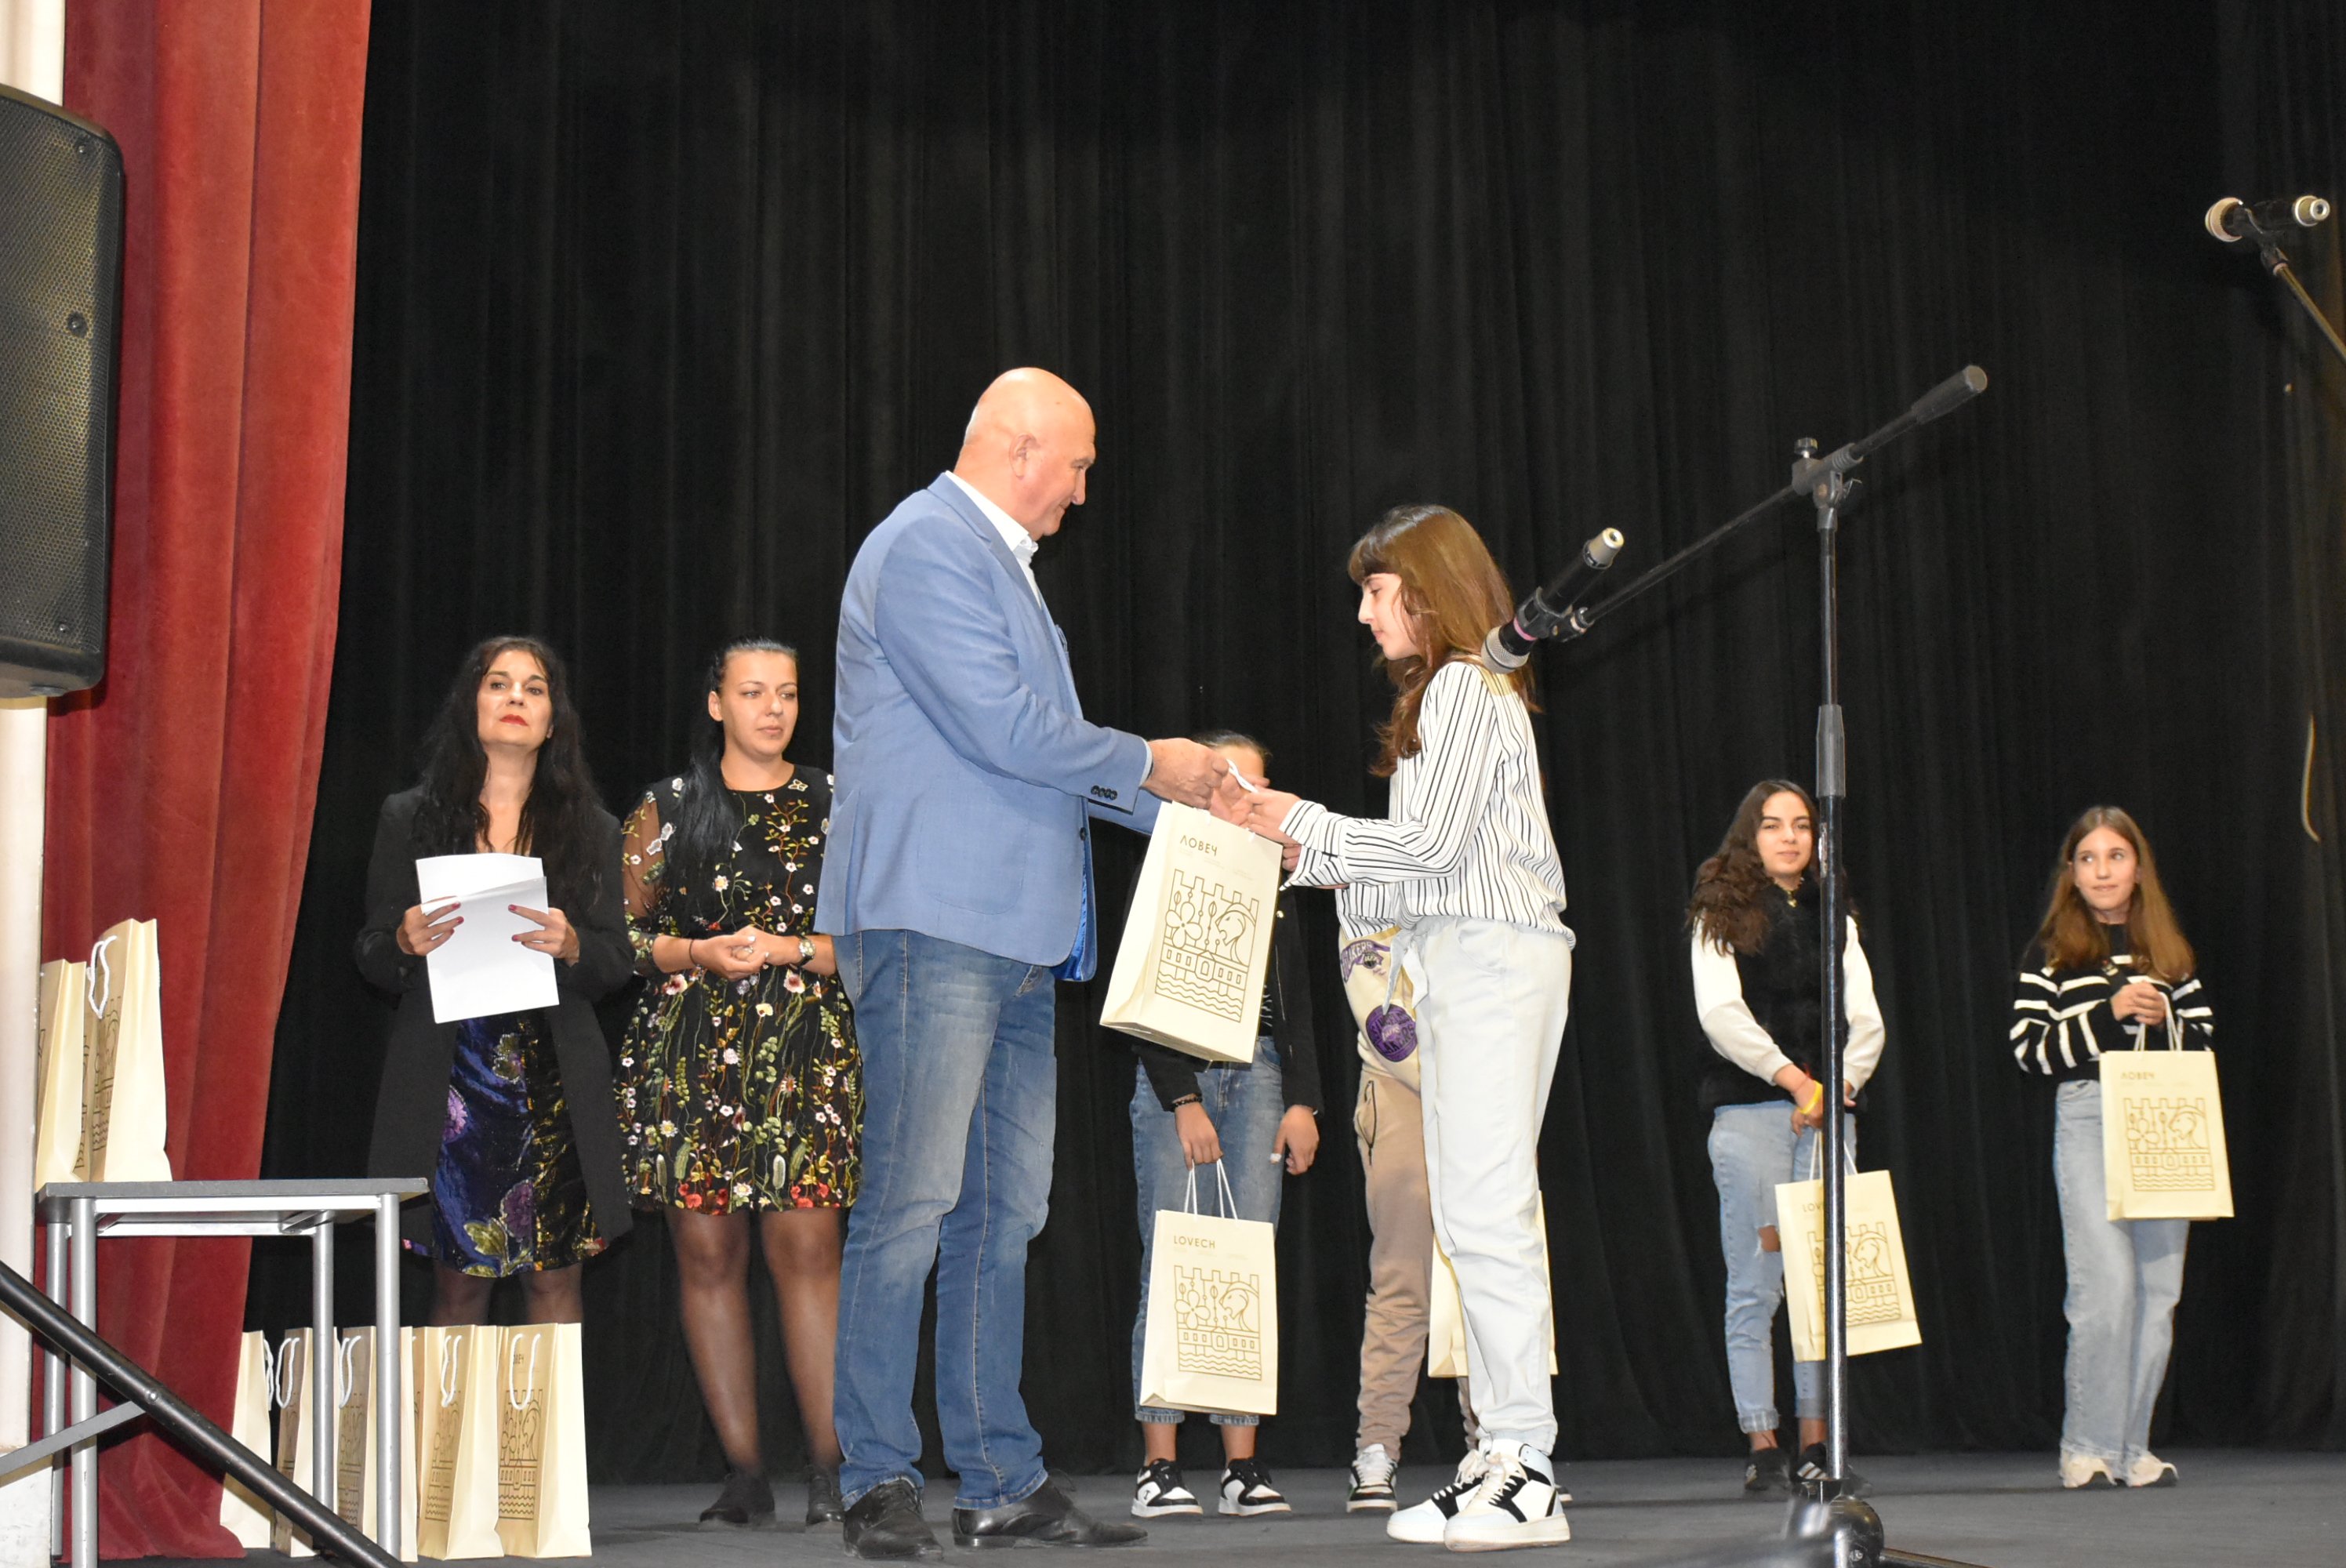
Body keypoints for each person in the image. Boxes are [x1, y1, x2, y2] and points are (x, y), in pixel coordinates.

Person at [816, 367, 1225, 1559]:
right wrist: (1155, 764)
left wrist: (1208, 810)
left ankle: (999, 1478)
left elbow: (1045, 760)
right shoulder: (925, 545)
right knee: (909, 1204)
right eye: (1078, 466)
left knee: (1003, 1213)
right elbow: (1007, 729)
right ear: (1018, 447)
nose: (1083, 493)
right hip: (933, 923)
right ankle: (876, 1478)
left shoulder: (999, 565)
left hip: (1014, 937)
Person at [1216, 503, 1574, 1552]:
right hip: (1464, 959)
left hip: (1495, 958)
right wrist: (1299, 847)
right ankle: (1501, 1456)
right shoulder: (1450, 695)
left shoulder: (1464, 686)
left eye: (1377, 591)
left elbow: (1428, 850)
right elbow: (1418, 868)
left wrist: (1298, 821)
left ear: (1427, 587)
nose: (1366, 614)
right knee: (1469, 1216)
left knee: (1489, 1216)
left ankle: (1527, 1464)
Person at [615, 638, 861, 1530]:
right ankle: (746, 1473)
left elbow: (880, 936)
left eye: (786, 693)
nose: (773, 709)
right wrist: (695, 951)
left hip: (806, 1052)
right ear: (716, 702)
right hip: (688, 1055)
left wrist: (796, 948)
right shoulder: (667, 807)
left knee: (810, 1254)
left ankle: (832, 1471)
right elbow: (616, 939)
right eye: (752, 692)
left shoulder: (837, 801)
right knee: (708, 1257)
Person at [355, 636, 633, 1325]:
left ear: (553, 719)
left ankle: (553, 1409)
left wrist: (574, 945)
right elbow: (370, 953)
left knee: (555, 1283)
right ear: (470, 704)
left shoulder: (594, 830)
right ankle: (450, 1408)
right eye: (499, 684)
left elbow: (616, 961)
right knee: (458, 1285)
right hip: (451, 1078)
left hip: (554, 1079)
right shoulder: (410, 818)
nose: (516, 698)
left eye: (535, 689)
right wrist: (403, 941)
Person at [1125, 731, 1322, 1522]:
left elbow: (1297, 998)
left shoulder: (1275, 876)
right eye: (1235, 780)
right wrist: (1181, 1097)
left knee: (1245, 1266)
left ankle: (1242, 1465)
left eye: (1261, 783)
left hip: (1261, 1074)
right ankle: (1159, 1465)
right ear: (1205, 786)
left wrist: (1302, 1099)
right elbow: (1142, 990)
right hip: (1185, 1078)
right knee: (1171, 1258)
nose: (1250, 795)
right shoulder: (1171, 861)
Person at [1687, 781, 1885, 1497]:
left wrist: (1836, 1087)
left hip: (1828, 1116)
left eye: (1803, 825)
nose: (1791, 837)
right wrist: (1796, 1082)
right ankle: (1762, 1440)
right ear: (1751, 836)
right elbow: (1721, 1014)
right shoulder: (1719, 913)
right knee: (1756, 1282)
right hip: (1752, 1114)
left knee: (1821, 1286)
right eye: (1774, 826)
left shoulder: (1836, 915)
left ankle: (1816, 1441)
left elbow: (1867, 1020)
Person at [2009, 806, 2213, 1490]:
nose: (2102, 871)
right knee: (2107, 1287)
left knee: (2158, 1291)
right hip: (2090, 1113)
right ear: (2071, 873)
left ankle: (2132, 1448)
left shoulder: (2171, 954)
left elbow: (2205, 1044)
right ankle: (2086, 1447)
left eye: (2116, 857)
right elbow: (2030, 1051)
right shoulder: (2052, 953)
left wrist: (2168, 1015)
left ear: (2138, 868)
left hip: (2163, 1116)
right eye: (2089, 859)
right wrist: (2111, 1012)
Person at [1339, 924, 1480, 1515]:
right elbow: (1384, 1017)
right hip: (1405, 1090)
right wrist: (1468, 1082)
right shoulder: (1370, 893)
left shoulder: (1478, 896)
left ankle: (1500, 1444)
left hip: (1484, 1091)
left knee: (1490, 1277)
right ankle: (1377, 1446)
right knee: (1403, 1278)